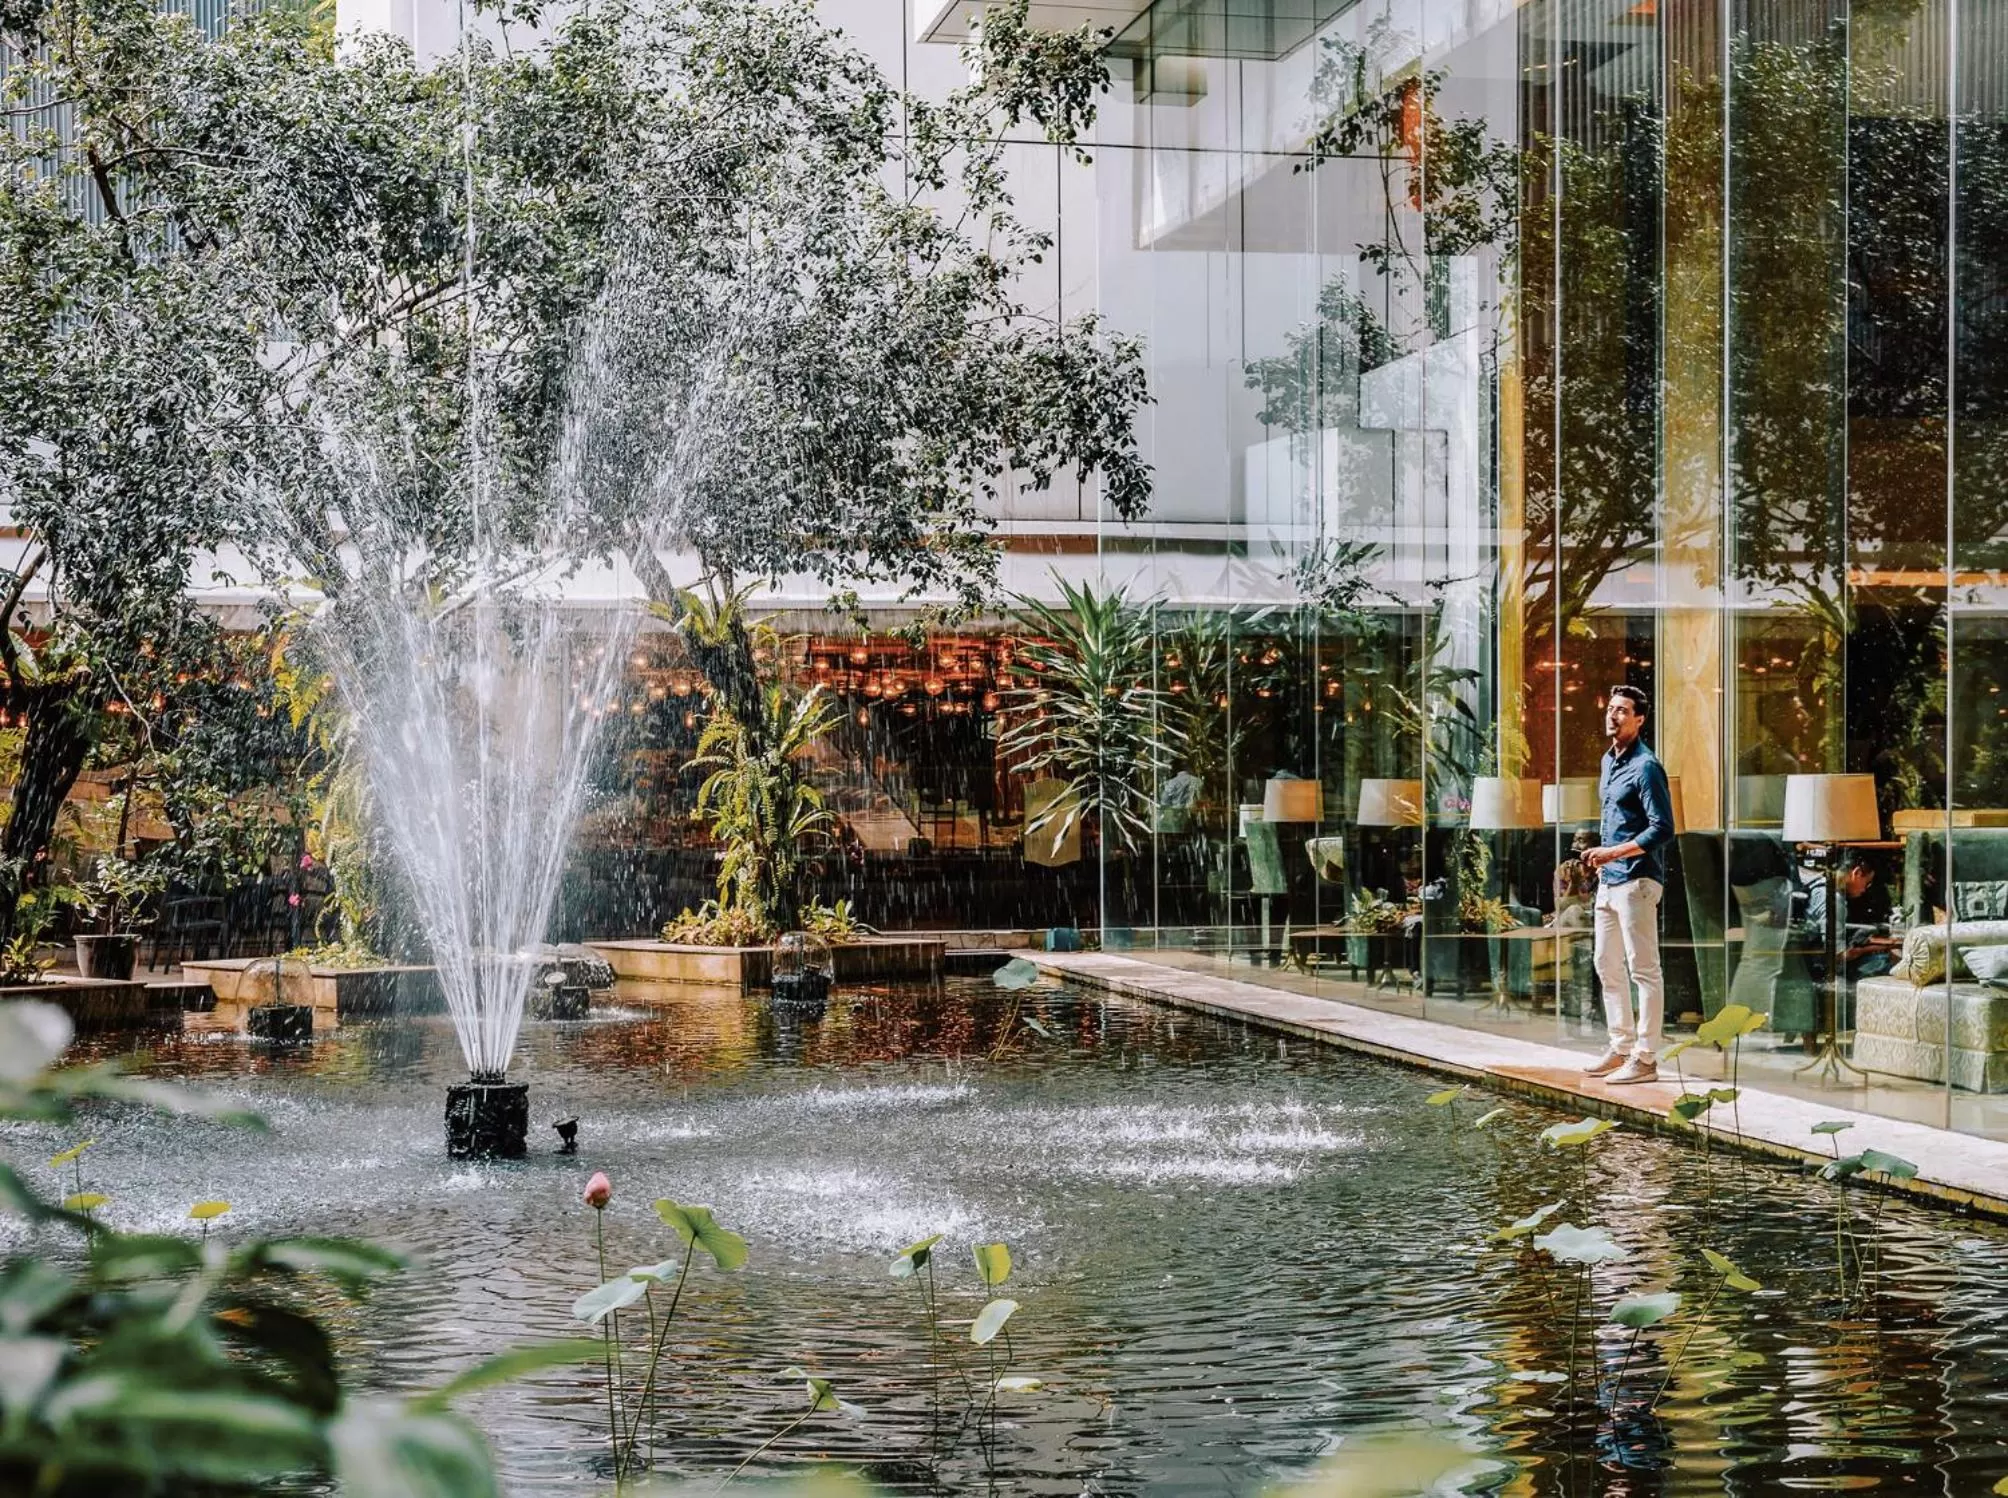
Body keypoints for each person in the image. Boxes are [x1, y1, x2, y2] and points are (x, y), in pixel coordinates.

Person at [1581, 685, 1676, 1085]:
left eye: (1622, 710)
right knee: (1606, 963)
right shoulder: (1609, 760)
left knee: (1644, 969)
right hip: (1610, 881)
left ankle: (1646, 1058)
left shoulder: (1646, 766)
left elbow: (1663, 828)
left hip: (1637, 880)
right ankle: (1620, 1046)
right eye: (1610, 707)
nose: (1613, 715)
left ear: (1639, 719)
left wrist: (1613, 853)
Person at [1803, 851, 1898, 984]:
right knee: (1883, 961)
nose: (1865, 889)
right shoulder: (1833, 901)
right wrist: (1873, 949)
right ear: (1857, 873)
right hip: (1822, 971)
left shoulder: (1821, 886)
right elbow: (1837, 955)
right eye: (1867, 883)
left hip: (1812, 961)